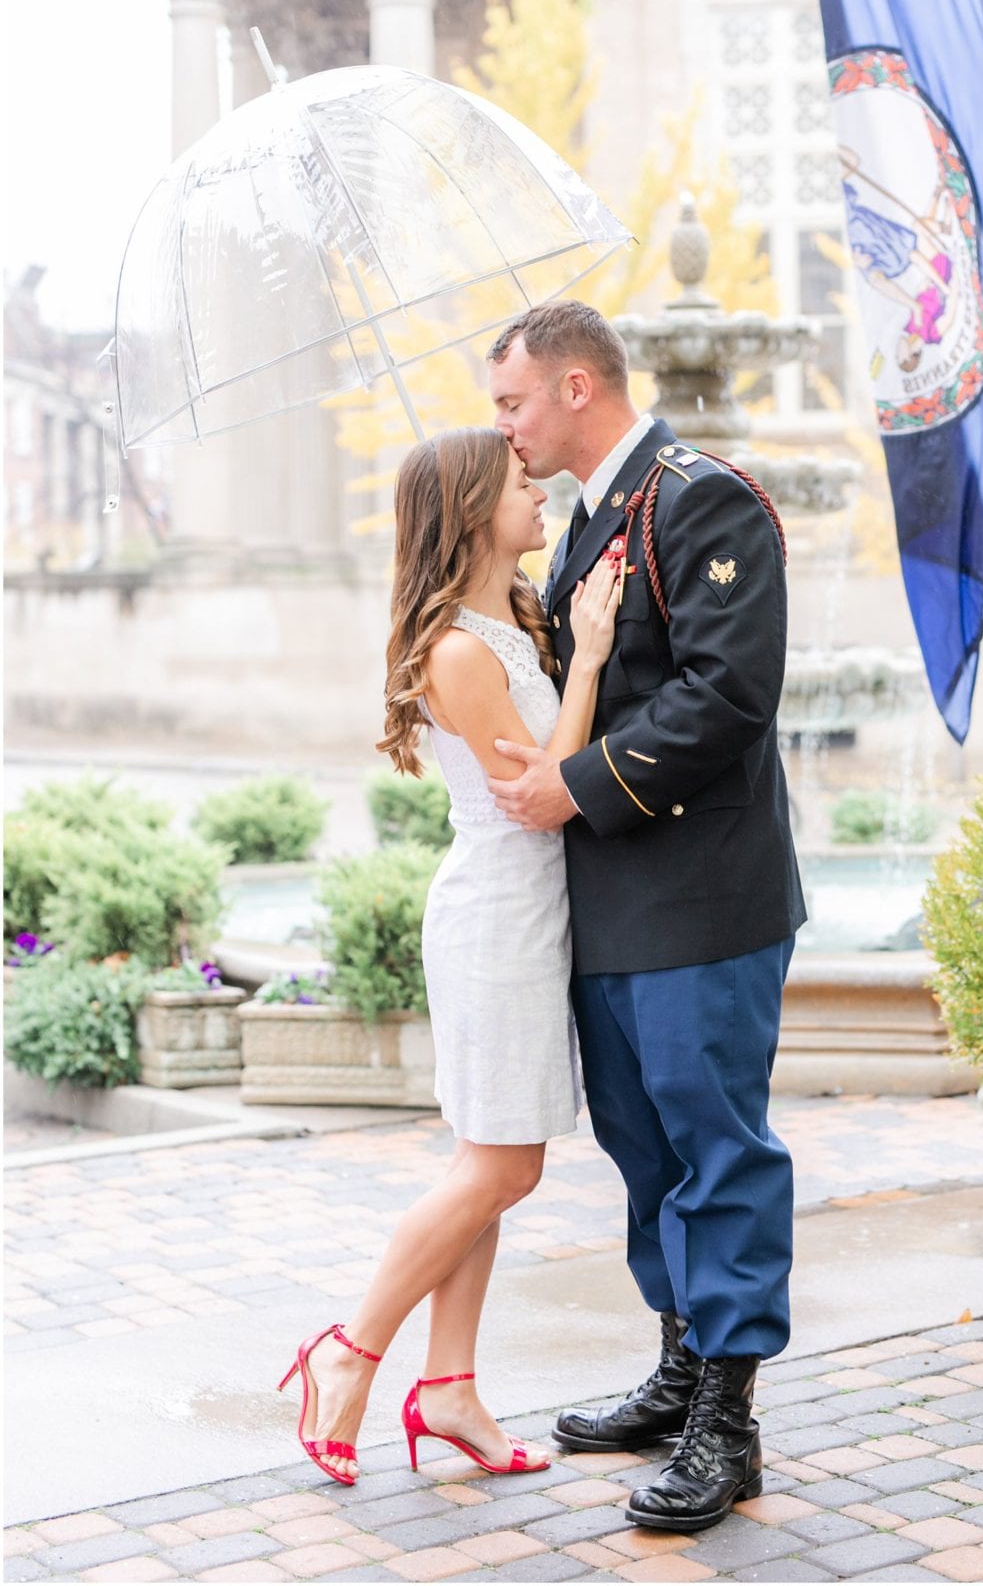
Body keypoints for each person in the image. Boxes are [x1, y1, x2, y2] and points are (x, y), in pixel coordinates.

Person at [487, 300, 805, 1533]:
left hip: (702, 898)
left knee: (718, 1156)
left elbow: (732, 693)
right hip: (613, 901)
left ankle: (729, 1424)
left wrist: (571, 785)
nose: (502, 427)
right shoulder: (589, 518)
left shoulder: (699, 496)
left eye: (512, 402)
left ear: (576, 387)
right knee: (646, 1153)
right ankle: (680, 1370)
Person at [278, 427, 619, 1486]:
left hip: (525, 920)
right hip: (497, 922)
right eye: (521, 478)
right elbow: (547, 792)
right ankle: (349, 1353)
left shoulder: (509, 617)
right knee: (504, 1164)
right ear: (476, 508)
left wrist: (574, 630)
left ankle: (451, 1389)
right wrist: (595, 655)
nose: (540, 488)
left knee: (489, 1166)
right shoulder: (460, 651)